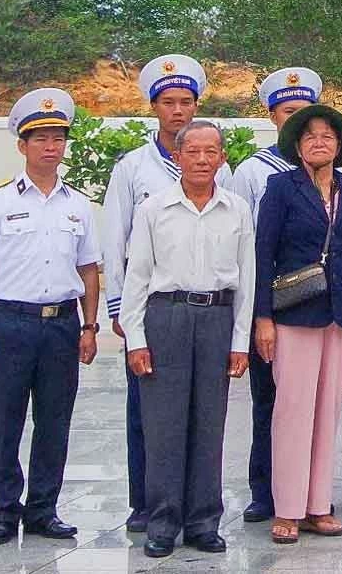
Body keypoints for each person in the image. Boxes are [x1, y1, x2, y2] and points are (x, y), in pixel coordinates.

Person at [0, 88, 101, 548]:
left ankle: (44, 510)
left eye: (58, 137)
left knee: (55, 422)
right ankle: (3, 511)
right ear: (22, 146)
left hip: (61, 324)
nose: (50, 146)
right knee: (5, 422)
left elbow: (88, 269)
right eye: (39, 138)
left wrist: (89, 326)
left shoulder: (78, 204)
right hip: (10, 324)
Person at [100, 55, 228, 531]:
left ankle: (195, 509)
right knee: (148, 411)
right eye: (169, 103)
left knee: (200, 414)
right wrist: (119, 308)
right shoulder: (133, 168)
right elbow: (115, 242)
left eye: (187, 102)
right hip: (153, 308)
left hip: (206, 311)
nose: (179, 111)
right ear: (154, 107)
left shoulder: (218, 164)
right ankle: (147, 503)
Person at [122, 121, 253, 558]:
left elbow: (247, 282)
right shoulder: (154, 209)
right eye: (192, 151)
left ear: (222, 158)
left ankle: (203, 521)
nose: (201, 159)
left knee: (209, 424)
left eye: (211, 151)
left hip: (216, 318)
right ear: (177, 157)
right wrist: (135, 339)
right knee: (163, 425)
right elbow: (136, 276)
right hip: (167, 317)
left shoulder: (236, 209)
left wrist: (240, 341)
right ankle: (162, 522)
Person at [254, 103, 342, 545]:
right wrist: (263, 317)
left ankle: (317, 505)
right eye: (309, 136)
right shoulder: (281, 188)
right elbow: (263, 252)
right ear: (297, 146)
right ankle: (286, 509)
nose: (318, 142)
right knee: (293, 411)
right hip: (294, 312)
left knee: (329, 412)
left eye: (327, 135)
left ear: (339, 145)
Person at [226, 65, 321, 525]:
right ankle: (265, 491)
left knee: (312, 404)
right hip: (271, 301)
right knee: (270, 401)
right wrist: (252, 313)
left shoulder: (330, 168)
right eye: (288, 111)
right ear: (271, 116)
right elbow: (242, 243)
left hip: (316, 306)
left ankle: (306, 493)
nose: (296, 119)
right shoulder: (252, 171)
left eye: (305, 112)